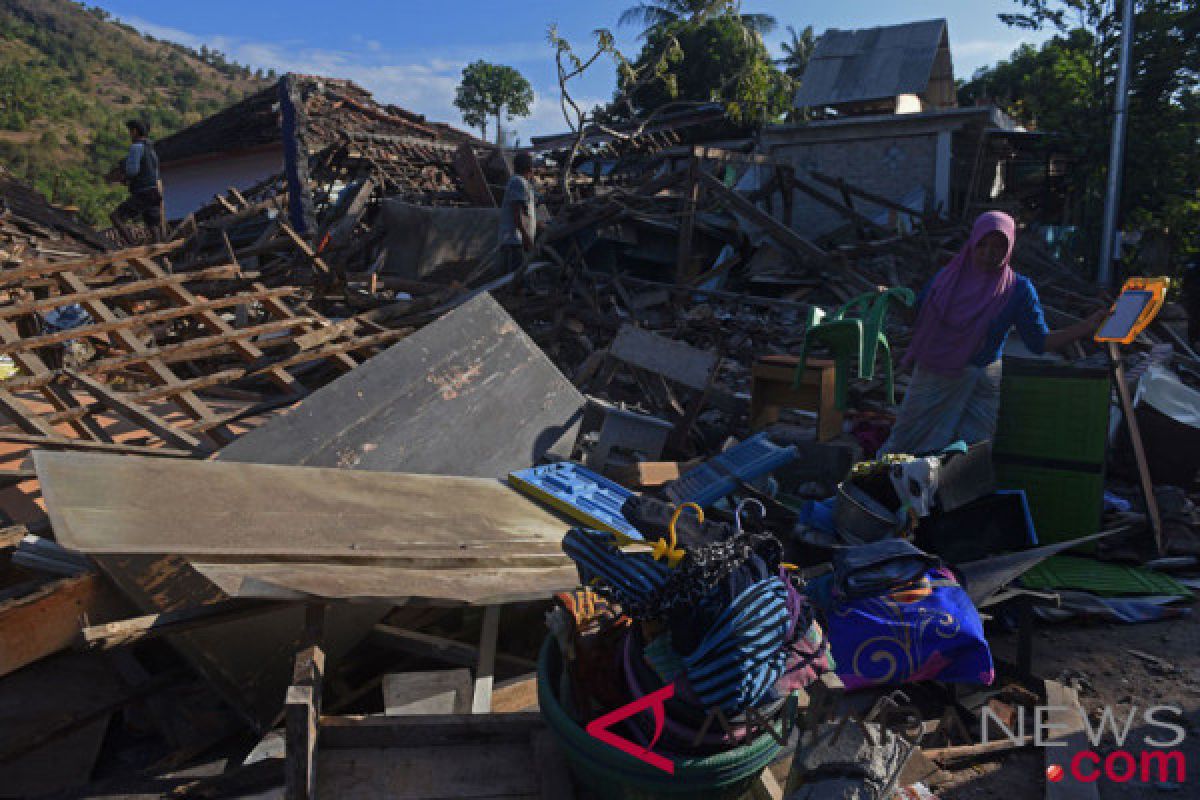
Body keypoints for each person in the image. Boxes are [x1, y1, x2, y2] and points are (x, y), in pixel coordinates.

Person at [880, 211, 1106, 456]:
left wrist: (1085, 327)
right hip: (935, 376)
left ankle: (957, 495)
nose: (989, 253)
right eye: (983, 244)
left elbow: (1039, 343)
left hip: (982, 380)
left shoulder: (1017, 290)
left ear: (1009, 249)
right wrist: (891, 299)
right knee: (905, 446)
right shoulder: (946, 279)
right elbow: (917, 318)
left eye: (999, 246)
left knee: (971, 455)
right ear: (973, 243)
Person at [112, 119, 162, 239]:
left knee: (116, 217)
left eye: (130, 131)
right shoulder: (151, 150)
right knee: (153, 225)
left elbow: (132, 171)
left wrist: (124, 177)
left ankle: (131, 244)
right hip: (154, 192)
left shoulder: (136, 147)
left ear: (135, 131)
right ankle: (161, 251)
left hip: (142, 192)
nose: (130, 134)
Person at [498, 151, 536, 273]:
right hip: (515, 241)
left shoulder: (521, 182)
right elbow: (517, 213)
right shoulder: (518, 182)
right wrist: (526, 237)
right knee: (515, 279)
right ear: (530, 168)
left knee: (514, 279)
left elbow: (525, 211)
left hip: (516, 240)